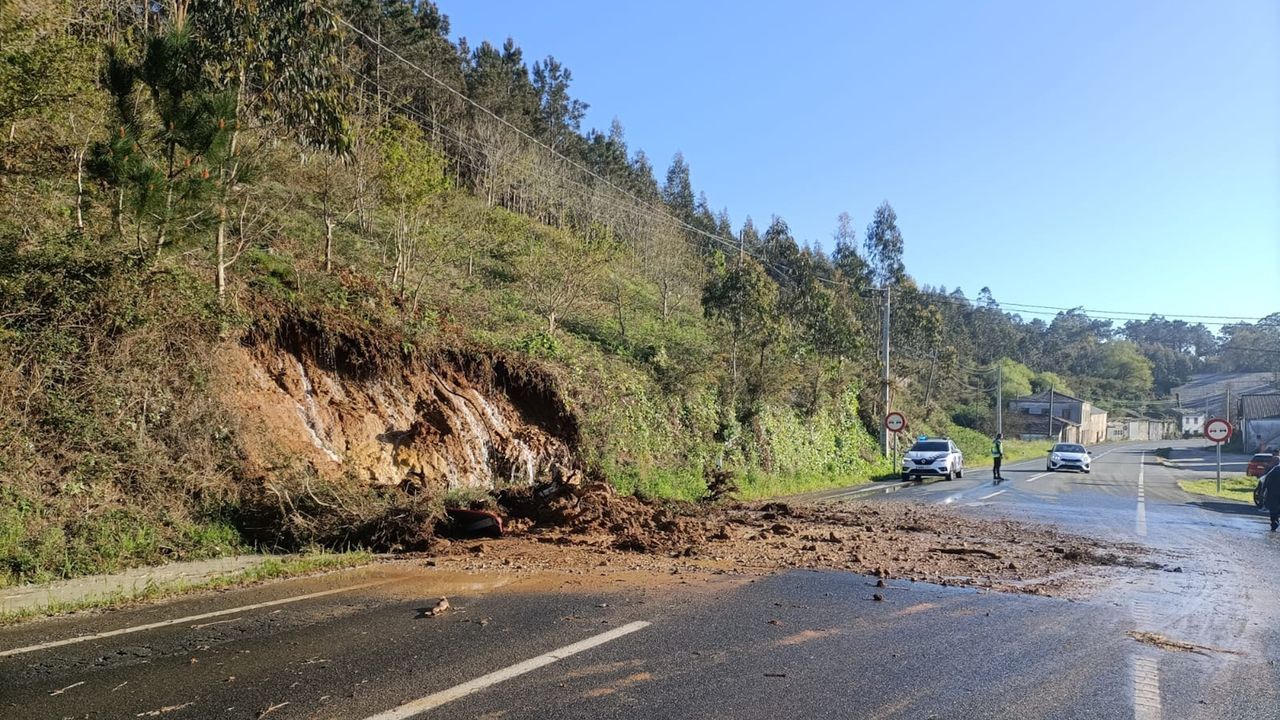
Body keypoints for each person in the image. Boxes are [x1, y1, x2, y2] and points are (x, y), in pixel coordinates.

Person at [1260, 464, 1280, 532]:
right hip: (1274, 493)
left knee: (1273, 509)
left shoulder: (1275, 469)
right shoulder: (1276, 469)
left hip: (1273, 493)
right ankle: (1274, 523)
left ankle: (1274, 524)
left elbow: (1267, 479)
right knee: (1275, 509)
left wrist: (1263, 490)